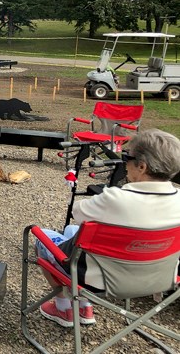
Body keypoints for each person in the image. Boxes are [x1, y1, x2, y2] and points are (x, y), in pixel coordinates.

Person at [36, 128, 180, 328]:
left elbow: (78, 213)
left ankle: (64, 308)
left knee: (41, 237)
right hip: (158, 279)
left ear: (142, 166)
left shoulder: (115, 199)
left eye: (126, 156)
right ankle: (84, 307)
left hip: (98, 280)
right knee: (71, 233)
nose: (124, 162)